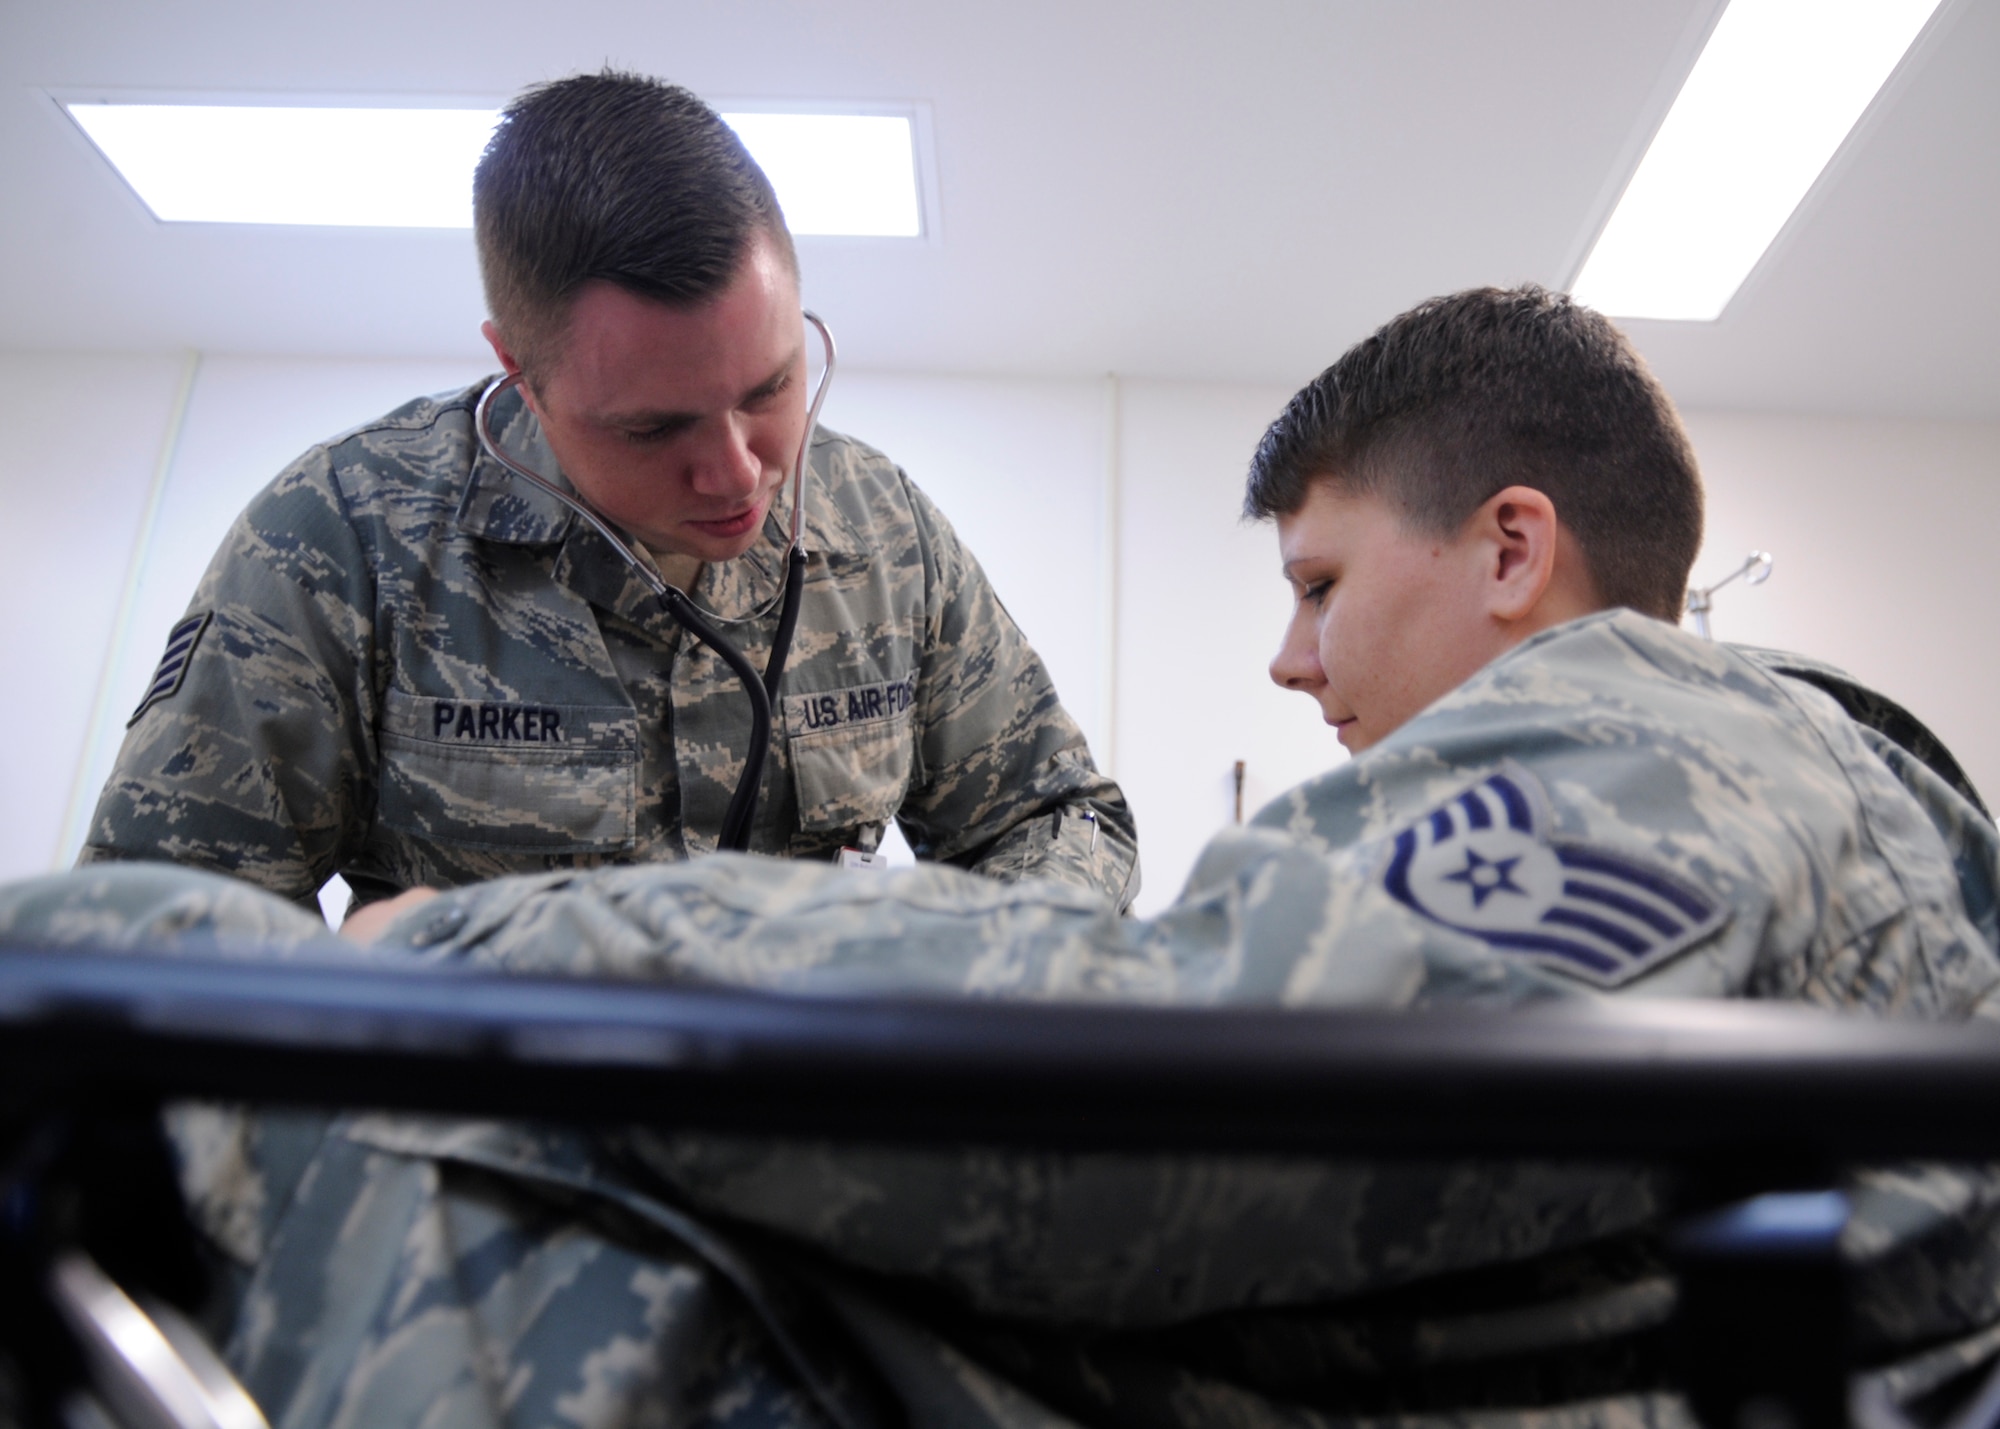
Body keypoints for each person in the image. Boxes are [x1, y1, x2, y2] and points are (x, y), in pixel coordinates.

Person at [11, 285, 2000, 1426]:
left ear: (1507, 547)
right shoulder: (343, 524)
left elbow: (1180, 1101)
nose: (1289, 653)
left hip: (784, 1343)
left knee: (108, 969)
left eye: (1318, 582)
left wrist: (472, 952)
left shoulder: (1678, 733)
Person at [76, 71, 1138, 913]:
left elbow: (1056, 822)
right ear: (517, 373)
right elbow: (157, 915)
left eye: (770, 387)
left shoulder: (883, 535)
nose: (735, 470)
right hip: (474, 1162)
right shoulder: (341, 536)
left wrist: (950, 980)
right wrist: (368, 999)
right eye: (650, 426)